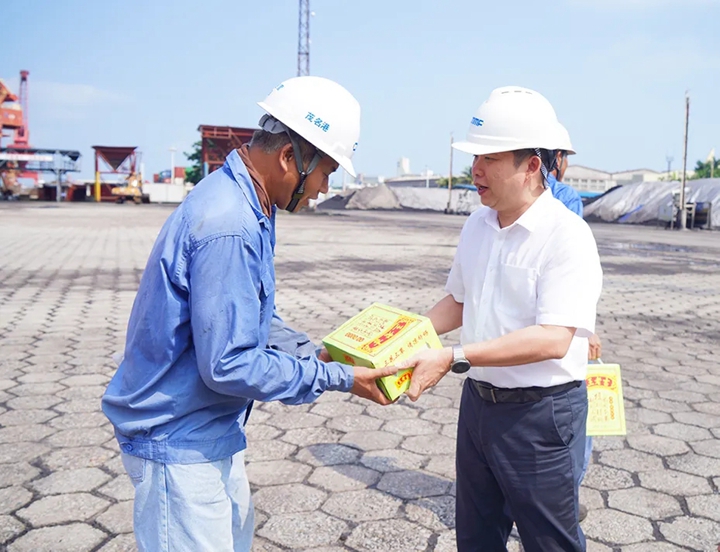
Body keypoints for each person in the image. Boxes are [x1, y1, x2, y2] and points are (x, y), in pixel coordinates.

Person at [101, 76, 397, 552]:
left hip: (207, 429)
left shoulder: (248, 201)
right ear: (289, 157)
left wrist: (312, 353)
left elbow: (250, 313)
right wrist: (339, 377)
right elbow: (228, 364)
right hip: (176, 440)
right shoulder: (231, 223)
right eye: (326, 172)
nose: (324, 188)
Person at [398, 86, 603, 551]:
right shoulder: (478, 224)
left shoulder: (566, 235)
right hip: (478, 406)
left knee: (549, 542)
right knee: (476, 537)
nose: (475, 169)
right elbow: (459, 301)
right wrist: (401, 336)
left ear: (532, 165)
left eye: (489, 158)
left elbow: (553, 338)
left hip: (540, 415)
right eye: (475, 157)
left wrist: (452, 356)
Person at [547, 128, 603, 523]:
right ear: (557, 159)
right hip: (558, 326)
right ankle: (563, 500)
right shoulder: (566, 198)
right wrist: (587, 328)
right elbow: (572, 268)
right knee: (574, 425)